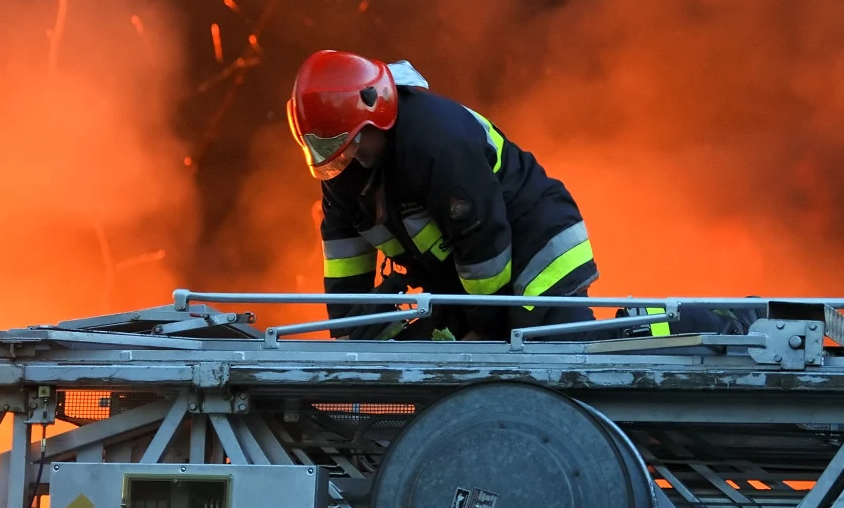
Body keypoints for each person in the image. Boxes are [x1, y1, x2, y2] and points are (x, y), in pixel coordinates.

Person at [286, 50, 750, 341]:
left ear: (376, 115)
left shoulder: (437, 140)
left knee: (559, 370)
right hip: (473, 282)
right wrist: (352, 334)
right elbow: (345, 274)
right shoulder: (345, 174)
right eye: (330, 148)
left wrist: (475, 329)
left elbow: (482, 241)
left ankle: (711, 328)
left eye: (349, 144)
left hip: (536, 256)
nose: (344, 159)